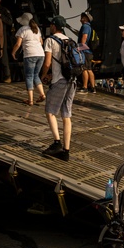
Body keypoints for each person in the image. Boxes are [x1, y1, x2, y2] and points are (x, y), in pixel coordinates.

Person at [40, 15, 75, 161]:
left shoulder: (50, 40)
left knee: (50, 112)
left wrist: (43, 75)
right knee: (66, 115)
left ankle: (56, 143)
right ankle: (65, 151)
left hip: (59, 80)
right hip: (72, 80)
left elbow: (47, 62)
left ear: (54, 26)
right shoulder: (70, 40)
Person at [10, 12, 45, 105]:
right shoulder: (37, 29)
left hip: (30, 54)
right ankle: (42, 94)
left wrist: (13, 52)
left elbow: (18, 44)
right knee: (36, 75)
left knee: (29, 76)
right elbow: (41, 42)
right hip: (41, 54)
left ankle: (30, 100)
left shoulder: (22, 29)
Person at [77, 11, 97, 93]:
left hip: (85, 51)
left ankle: (85, 87)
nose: (81, 18)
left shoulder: (85, 26)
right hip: (89, 52)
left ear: (86, 18)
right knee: (89, 69)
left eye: (82, 17)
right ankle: (92, 87)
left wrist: (79, 48)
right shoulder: (90, 27)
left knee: (84, 69)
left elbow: (84, 37)